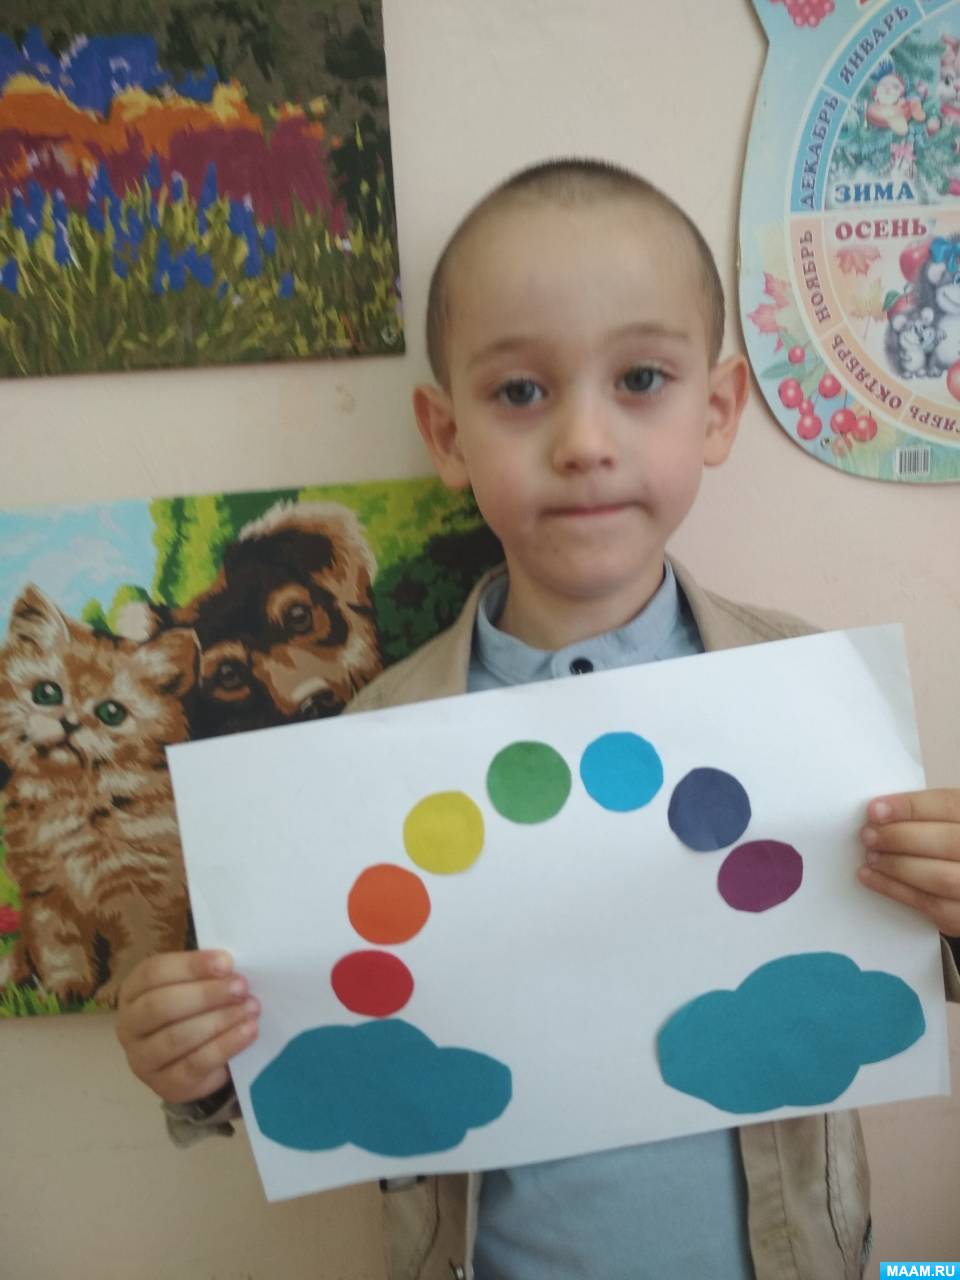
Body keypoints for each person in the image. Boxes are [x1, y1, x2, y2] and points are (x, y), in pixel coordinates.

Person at [117, 158, 960, 1279]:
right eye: (521, 392)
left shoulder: (808, 695)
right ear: (447, 435)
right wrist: (200, 1059)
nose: (583, 440)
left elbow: (894, 964)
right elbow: (308, 1030)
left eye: (642, 378)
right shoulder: (367, 746)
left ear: (716, 412)